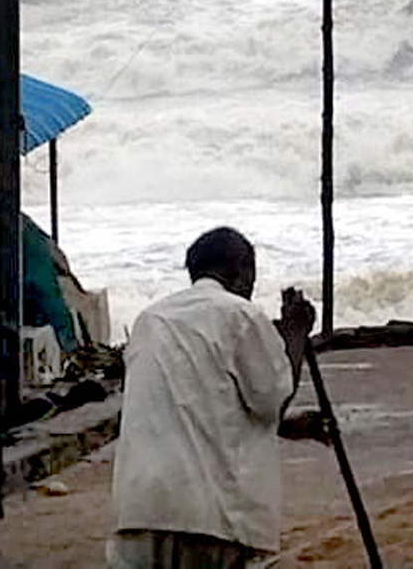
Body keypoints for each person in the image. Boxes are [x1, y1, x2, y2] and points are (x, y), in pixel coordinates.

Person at [110, 227, 318, 568]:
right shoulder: (240, 314)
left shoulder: (151, 320)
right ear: (243, 271)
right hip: (213, 516)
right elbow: (271, 400)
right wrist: (295, 332)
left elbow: (194, 402)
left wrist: (287, 427)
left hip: (139, 511)